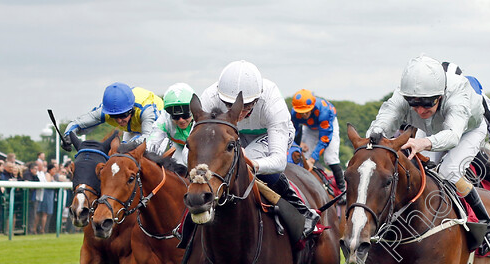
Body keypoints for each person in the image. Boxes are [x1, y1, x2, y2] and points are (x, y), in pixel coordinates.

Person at [366, 54, 490, 253]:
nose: (420, 110)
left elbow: (453, 136)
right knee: (419, 171)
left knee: (449, 171)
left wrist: (422, 142)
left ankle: (487, 224)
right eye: (414, 104)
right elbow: (382, 125)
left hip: (468, 131)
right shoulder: (401, 95)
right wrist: (371, 141)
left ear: (440, 95)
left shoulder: (459, 92)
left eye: (428, 103)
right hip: (433, 130)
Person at [198, 60, 319, 238]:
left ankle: (302, 210)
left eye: (246, 107)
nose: (238, 114)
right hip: (233, 136)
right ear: (220, 97)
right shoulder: (209, 97)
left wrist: (248, 163)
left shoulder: (271, 99)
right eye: (229, 106)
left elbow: (278, 161)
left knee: (245, 161)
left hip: (266, 136)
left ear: (258, 98)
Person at [64, 83, 164, 147]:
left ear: (131, 109)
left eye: (123, 115)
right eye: (114, 116)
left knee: (142, 152)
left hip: (159, 129)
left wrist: (127, 145)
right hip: (133, 129)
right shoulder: (105, 111)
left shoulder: (146, 111)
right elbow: (77, 123)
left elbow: (148, 139)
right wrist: (68, 135)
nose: (119, 121)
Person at [290, 89, 346, 192]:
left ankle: (342, 189)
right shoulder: (294, 112)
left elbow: (324, 139)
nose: (303, 115)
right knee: (304, 157)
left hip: (328, 126)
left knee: (330, 158)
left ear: (312, 107)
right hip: (310, 128)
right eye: (301, 113)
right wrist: (300, 143)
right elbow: (293, 131)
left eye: (306, 112)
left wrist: (312, 159)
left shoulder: (324, 111)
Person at [146, 82, 196, 165]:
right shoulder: (164, 118)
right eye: (175, 117)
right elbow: (152, 142)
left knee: (188, 158)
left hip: (200, 147)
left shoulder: (199, 116)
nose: (181, 120)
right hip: (179, 146)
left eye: (185, 115)